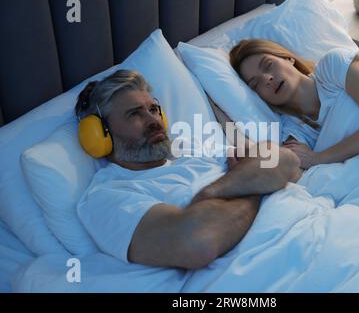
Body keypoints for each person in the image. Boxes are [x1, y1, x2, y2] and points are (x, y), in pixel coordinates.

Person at [75, 69, 301, 270]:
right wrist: (252, 181)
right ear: (100, 135)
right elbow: (197, 242)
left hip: (312, 233)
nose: (154, 120)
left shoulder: (191, 148)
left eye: (154, 109)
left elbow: (285, 159)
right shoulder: (107, 195)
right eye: (134, 114)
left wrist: (209, 195)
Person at [229, 39, 359, 169]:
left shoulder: (333, 66)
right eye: (255, 83)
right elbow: (289, 171)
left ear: (287, 58)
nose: (267, 79)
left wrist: (320, 158)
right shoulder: (292, 130)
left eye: (268, 65)